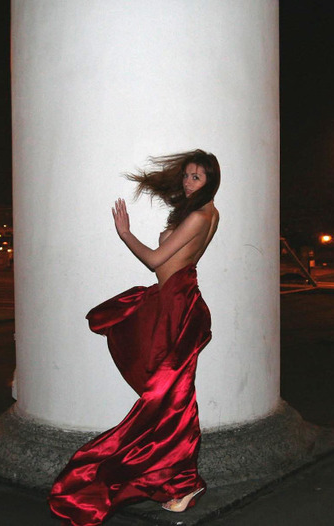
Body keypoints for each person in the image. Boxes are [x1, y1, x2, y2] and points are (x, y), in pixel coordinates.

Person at [48, 150, 221, 526]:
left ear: (211, 181)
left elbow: (156, 260)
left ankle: (181, 482)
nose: (188, 182)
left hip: (178, 308)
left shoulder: (197, 217)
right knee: (174, 398)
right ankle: (179, 479)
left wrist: (125, 233)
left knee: (169, 400)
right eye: (187, 175)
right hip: (175, 300)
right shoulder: (209, 213)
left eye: (197, 177)